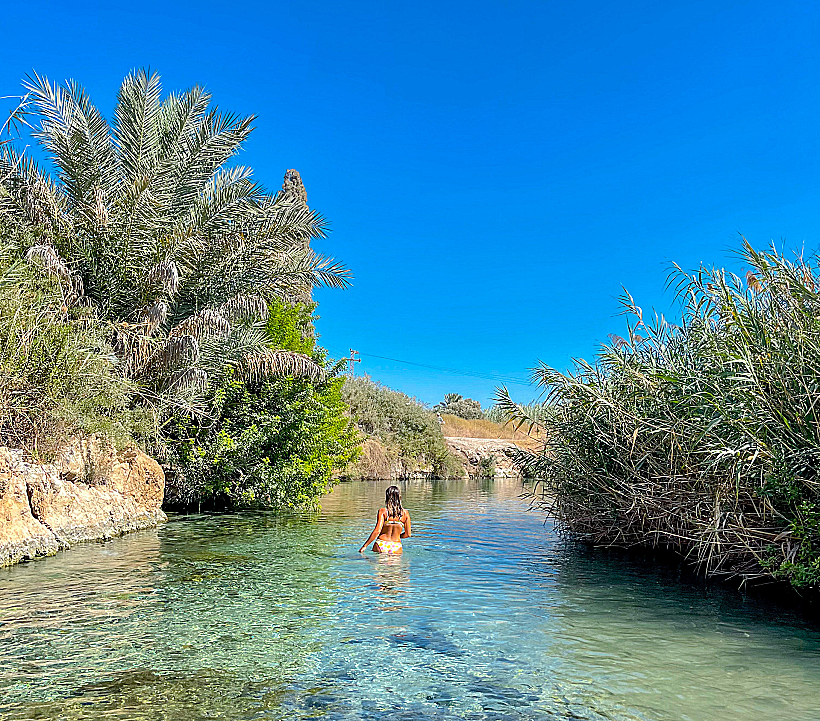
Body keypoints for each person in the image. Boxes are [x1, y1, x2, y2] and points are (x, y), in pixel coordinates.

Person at [358, 485, 412, 554]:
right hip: (396, 545)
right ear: (399, 497)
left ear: (387, 497)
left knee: (379, 564)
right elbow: (408, 534)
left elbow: (377, 531)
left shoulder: (383, 512)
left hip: (381, 543)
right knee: (396, 565)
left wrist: (365, 546)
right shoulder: (405, 513)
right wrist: (398, 535)